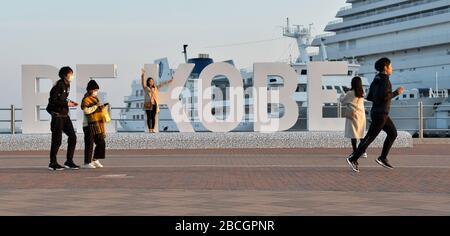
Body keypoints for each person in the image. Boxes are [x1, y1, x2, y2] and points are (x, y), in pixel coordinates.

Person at [347, 58, 404, 172]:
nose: (392, 68)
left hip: (379, 113)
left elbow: (370, 97)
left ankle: (382, 158)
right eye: (390, 66)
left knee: (392, 133)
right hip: (381, 114)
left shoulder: (375, 80)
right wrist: (397, 92)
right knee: (370, 138)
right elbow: (384, 96)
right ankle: (353, 158)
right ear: (385, 68)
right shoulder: (385, 80)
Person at [46, 66, 80, 171]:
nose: (72, 76)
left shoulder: (67, 84)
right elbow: (52, 100)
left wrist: (70, 102)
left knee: (73, 137)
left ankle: (69, 161)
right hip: (57, 116)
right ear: (65, 75)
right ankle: (53, 163)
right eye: (71, 74)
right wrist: (66, 104)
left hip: (65, 116)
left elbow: (63, 98)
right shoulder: (58, 85)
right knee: (57, 140)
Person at [81, 80, 108, 169]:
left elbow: (96, 109)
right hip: (88, 125)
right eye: (95, 90)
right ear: (90, 90)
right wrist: (96, 106)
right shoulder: (86, 99)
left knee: (101, 142)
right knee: (89, 144)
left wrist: (101, 107)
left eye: (97, 90)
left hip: (97, 125)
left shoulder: (96, 99)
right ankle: (87, 162)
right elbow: (86, 110)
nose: (96, 92)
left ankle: (95, 159)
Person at [340, 76, 368, 158]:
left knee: (353, 135)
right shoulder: (362, 92)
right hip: (361, 116)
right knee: (361, 134)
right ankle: (363, 151)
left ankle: (355, 152)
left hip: (353, 115)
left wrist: (343, 93)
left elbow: (343, 101)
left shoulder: (350, 93)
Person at [141, 69, 173, 133]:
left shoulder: (155, 88)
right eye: (150, 81)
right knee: (148, 117)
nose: (151, 82)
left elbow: (162, 84)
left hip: (154, 104)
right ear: (148, 82)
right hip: (148, 104)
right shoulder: (146, 88)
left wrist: (169, 81)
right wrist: (142, 76)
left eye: (152, 81)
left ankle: (152, 129)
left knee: (153, 117)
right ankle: (149, 129)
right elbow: (142, 83)